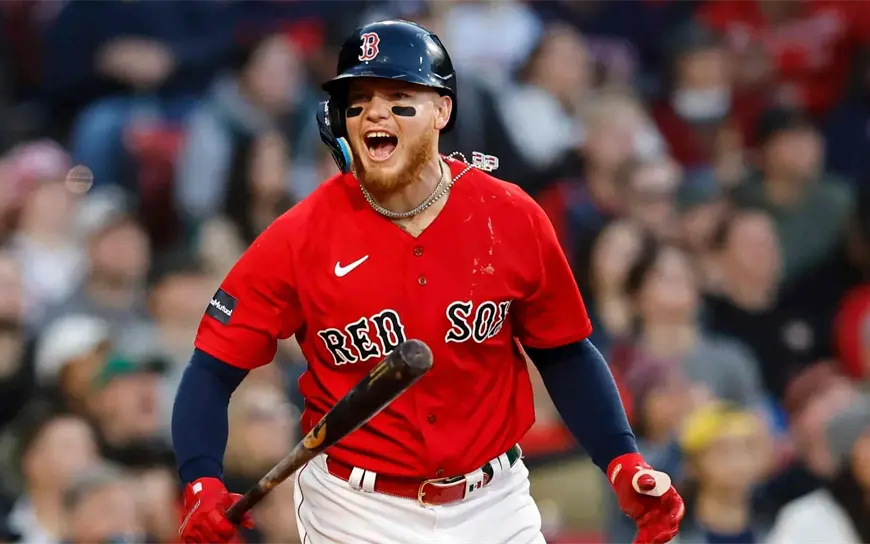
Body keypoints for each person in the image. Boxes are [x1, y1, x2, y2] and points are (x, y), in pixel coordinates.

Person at [171, 19, 684, 544]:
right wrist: (200, 480)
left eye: (398, 96)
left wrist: (622, 459)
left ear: (442, 110)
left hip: (495, 499)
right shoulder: (299, 236)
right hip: (357, 508)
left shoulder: (509, 215)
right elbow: (211, 370)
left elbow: (565, 353)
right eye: (358, 98)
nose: (374, 111)